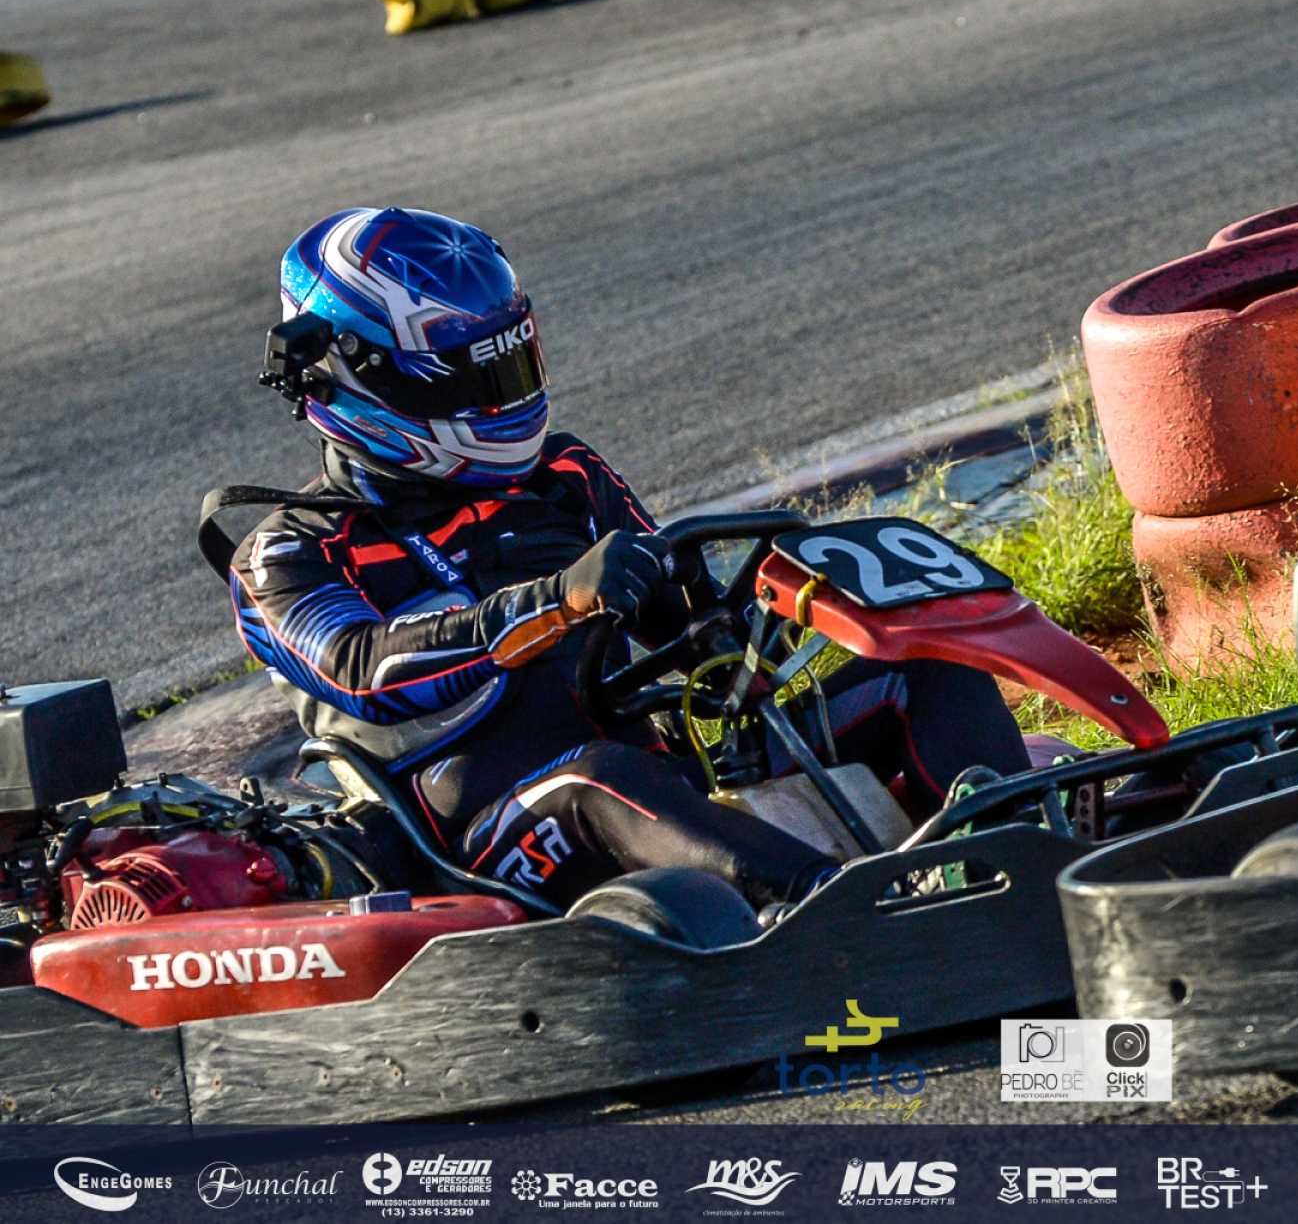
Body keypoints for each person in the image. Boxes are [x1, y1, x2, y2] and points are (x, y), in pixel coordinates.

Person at [222, 206, 1031, 910]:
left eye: (506, 366)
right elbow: (362, 671)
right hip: (486, 843)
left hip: (660, 779)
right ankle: (853, 916)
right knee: (602, 777)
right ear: (347, 377)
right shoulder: (286, 553)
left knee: (924, 673)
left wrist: (742, 630)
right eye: (466, 378)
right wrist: (555, 601)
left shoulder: (564, 476)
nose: (498, 398)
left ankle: (1019, 864)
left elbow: (684, 616)